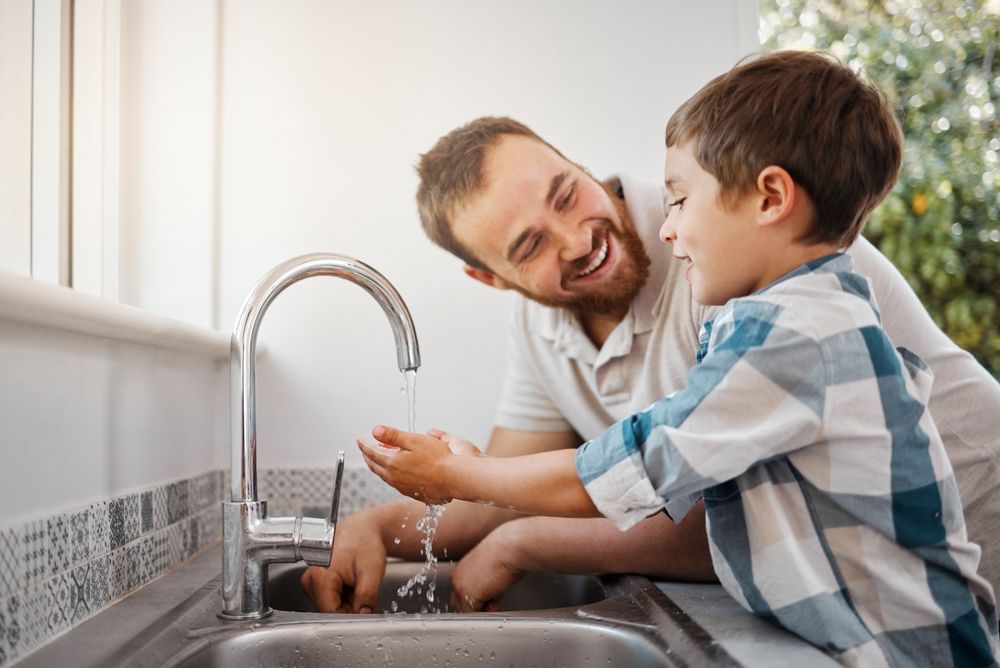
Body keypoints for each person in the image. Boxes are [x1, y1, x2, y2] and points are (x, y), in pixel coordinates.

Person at [359, 50, 999, 666]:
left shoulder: (777, 295)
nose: (580, 238)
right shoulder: (730, 261)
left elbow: (674, 483)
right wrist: (378, 526)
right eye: (529, 246)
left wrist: (495, 508)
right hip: (852, 611)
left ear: (578, 164)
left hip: (947, 575)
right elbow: (522, 486)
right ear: (493, 278)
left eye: (565, 194)